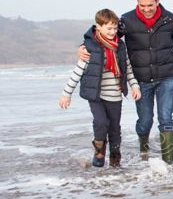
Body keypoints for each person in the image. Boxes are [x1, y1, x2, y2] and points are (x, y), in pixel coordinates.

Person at [78, 0, 173, 164]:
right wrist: (84, 45)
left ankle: (168, 166)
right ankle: (144, 147)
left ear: (157, 1)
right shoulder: (127, 20)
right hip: (141, 79)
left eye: (150, 5)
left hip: (166, 77)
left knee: (166, 118)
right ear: (137, 2)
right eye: (142, 5)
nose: (146, 9)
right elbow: (105, 34)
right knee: (145, 121)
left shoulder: (169, 19)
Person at [60, 9, 141, 167]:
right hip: (96, 95)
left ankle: (115, 158)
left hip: (115, 95)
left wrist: (134, 86)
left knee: (115, 130)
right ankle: (99, 150)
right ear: (98, 27)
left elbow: (127, 68)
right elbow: (78, 71)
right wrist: (66, 94)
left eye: (115, 28)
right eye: (109, 28)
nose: (113, 32)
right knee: (101, 122)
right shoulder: (91, 48)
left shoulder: (120, 47)